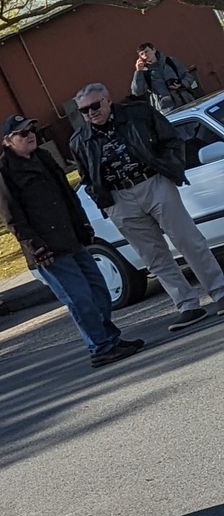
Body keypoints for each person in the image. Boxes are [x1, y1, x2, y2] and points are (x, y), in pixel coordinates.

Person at [0, 113, 145, 367]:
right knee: (80, 298)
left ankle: (110, 340)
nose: (30, 136)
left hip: (71, 238)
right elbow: (12, 218)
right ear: (8, 140)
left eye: (31, 130)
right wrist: (36, 247)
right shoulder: (3, 173)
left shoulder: (43, 157)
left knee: (99, 290)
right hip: (47, 250)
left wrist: (83, 225)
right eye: (22, 133)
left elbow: (67, 196)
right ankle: (101, 348)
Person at [70, 81, 224, 331]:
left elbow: (171, 139)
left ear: (108, 100)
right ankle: (187, 305)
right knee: (154, 256)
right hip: (119, 199)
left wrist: (170, 168)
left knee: (188, 240)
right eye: (84, 111)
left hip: (153, 183)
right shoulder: (80, 140)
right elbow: (86, 175)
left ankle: (220, 292)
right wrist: (107, 204)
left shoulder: (138, 114)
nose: (91, 113)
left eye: (95, 106)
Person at [131, 42, 201, 112]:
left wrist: (181, 84)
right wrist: (138, 71)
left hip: (186, 101)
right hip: (167, 109)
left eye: (146, 51)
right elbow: (137, 92)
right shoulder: (144, 72)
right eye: (142, 54)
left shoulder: (170, 61)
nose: (145, 55)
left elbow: (188, 76)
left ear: (154, 50)